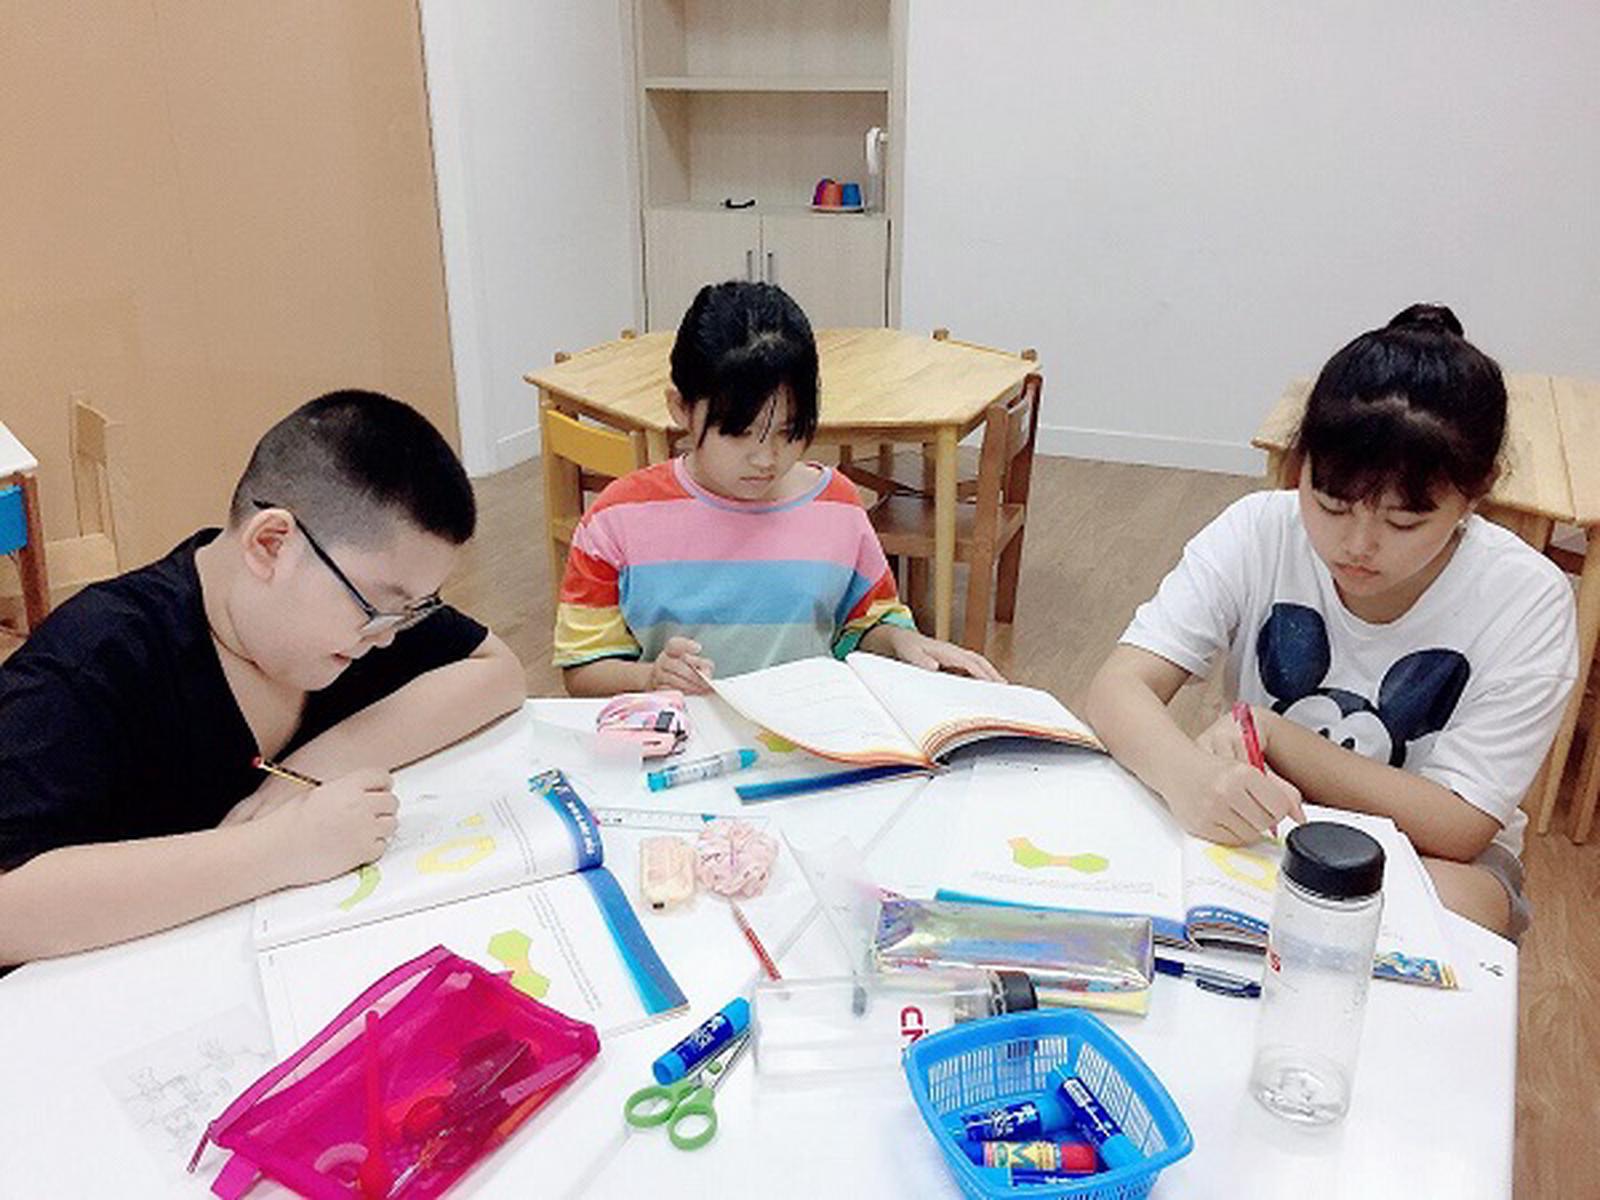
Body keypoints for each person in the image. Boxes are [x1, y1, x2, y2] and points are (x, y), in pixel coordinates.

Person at [1085, 304, 1576, 939]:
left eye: (1404, 522)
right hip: (1263, 820)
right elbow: (1118, 687)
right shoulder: (1259, 531)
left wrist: (1275, 735)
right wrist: (1189, 778)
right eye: (1332, 505)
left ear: (1477, 492)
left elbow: (1459, 825)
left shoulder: (1525, 598)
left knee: (1458, 908)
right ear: (1301, 465)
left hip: (1427, 857)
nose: (1358, 545)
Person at [0, 390, 526, 964]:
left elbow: (496, 672)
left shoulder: (353, 617)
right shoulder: (94, 659)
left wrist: (314, 767)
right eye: (378, 609)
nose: (388, 638)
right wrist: (278, 849)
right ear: (271, 545)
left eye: (413, 611)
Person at [555, 280, 1001, 695]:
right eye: (739, 433)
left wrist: (901, 641)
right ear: (680, 407)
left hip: (807, 735)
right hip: (686, 742)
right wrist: (650, 677)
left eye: (789, 431)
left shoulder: (837, 504)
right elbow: (582, 670)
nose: (766, 458)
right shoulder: (617, 517)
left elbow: (863, 626)